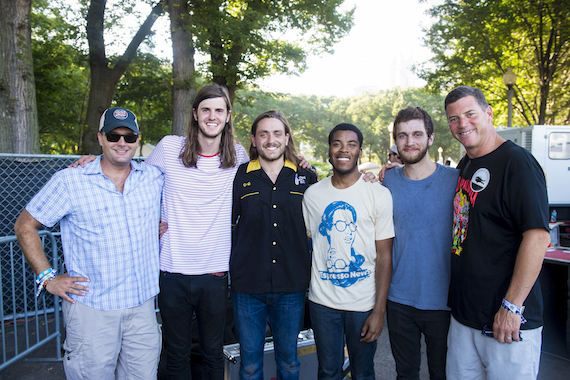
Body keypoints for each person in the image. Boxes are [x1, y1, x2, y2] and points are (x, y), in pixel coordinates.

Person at [14, 107, 164, 379]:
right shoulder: (71, 181)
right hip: (92, 312)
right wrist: (48, 278)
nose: (122, 142)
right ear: (100, 138)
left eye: (129, 137)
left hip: (142, 309)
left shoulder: (153, 178)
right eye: (113, 135)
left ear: (138, 140)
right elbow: (25, 225)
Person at [444, 86, 550, 379]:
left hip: (506, 322)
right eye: (454, 119)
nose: (462, 124)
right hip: (465, 317)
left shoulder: (518, 164)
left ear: (488, 114)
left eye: (470, 114)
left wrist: (511, 306)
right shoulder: (466, 164)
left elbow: (538, 237)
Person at [146, 84, 249, 379]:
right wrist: (94, 160)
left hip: (215, 273)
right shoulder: (169, 148)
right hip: (172, 271)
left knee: (213, 353)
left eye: (219, 110)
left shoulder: (238, 156)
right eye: (206, 109)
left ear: (228, 116)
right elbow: (136, 182)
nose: (212, 116)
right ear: (194, 114)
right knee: (176, 354)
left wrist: (301, 162)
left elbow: (273, 170)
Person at [302, 123, 394, 380]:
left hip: (364, 304)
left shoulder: (379, 194)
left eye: (351, 144)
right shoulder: (311, 196)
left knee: (363, 372)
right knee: (328, 371)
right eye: (337, 144)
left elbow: (385, 256)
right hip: (322, 304)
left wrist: (379, 311)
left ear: (360, 152)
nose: (344, 150)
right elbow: (312, 242)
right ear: (329, 151)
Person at [230, 110, 317, 379]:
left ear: (287, 138)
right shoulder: (238, 176)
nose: (271, 139)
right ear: (254, 140)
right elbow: (225, 223)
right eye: (263, 133)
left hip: (291, 286)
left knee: (289, 362)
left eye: (277, 133)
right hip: (247, 287)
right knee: (250, 365)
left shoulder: (306, 177)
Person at [382, 106, 458, 380]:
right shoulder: (386, 181)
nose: (409, 141)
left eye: (416, 134)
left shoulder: (455, 180)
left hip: (444, 301)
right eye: (402, 136)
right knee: (406, 374)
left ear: (430, 138)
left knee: (442, 373)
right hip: (399, 299)